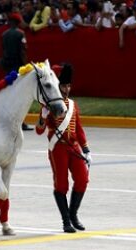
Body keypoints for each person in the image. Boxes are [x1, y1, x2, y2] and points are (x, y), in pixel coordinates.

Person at [35, 63, 92, 233]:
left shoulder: (73, 105)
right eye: (63, 86)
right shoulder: (49, 105)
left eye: (68, 85)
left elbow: (79, 129)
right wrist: (43, 117)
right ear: (57, 86)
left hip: (73, 148)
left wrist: (86, 150)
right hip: (57, 148)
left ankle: (73, 215)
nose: (66, 89)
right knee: (61, 185)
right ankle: (66, 221)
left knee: (82, 180)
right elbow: (39, 130)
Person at [0, 13, 32, 130]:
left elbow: (3, 50)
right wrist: (25, 67)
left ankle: (7, 122)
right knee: (20, 96)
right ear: (17, 23)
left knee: (9, 94)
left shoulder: (4, 35)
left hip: (8, 67)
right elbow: (22, 52)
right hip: (18, 67)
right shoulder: (20, 34)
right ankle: (20, 123)